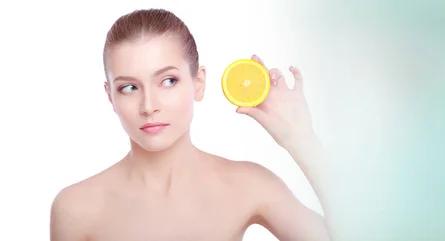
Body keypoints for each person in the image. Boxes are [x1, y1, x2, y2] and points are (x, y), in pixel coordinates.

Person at [50, 8, 335, 241]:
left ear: (198, 84)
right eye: (129, 88)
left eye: (168, 81)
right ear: (110, 95)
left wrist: (301, 140)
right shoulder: (76, 208)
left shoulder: (248, 185)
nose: (149, 105)